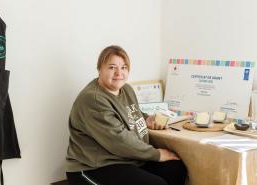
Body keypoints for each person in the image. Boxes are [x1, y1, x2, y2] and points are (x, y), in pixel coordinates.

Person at [65, 45, 187, 185]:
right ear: (100, 69)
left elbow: (134, 113)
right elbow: (119, 141)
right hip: (93, 167)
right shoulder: (94, 100)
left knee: (175, 168)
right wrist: (157, 154)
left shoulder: (126, 89)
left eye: (123, 67)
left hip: (125, 159)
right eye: (112, 67)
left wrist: (147, 119)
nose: (119, 73)